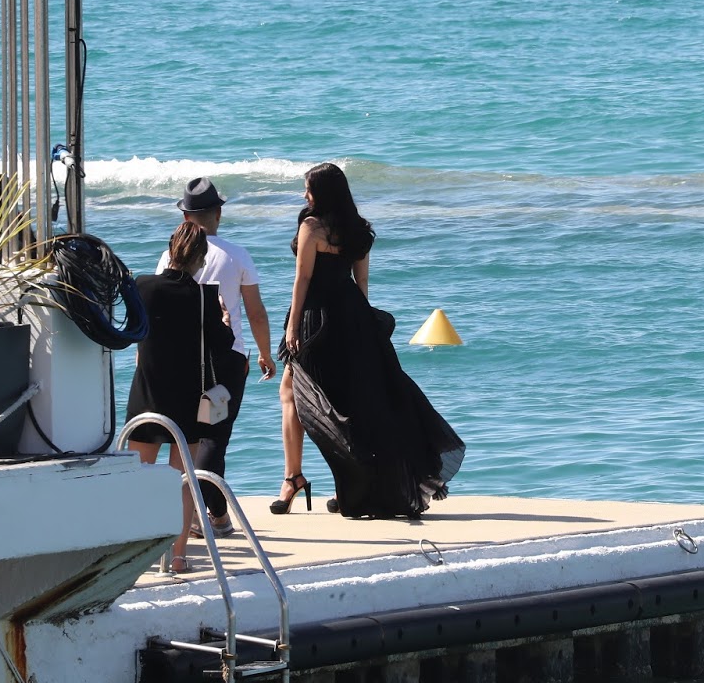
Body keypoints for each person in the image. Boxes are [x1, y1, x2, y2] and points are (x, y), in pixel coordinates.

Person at [275, 162, 464, 519]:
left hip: (316, 317)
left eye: (308, 189)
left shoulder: (311, 227)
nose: (304, 195)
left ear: (322, 193)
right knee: (350, 402)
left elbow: (303, 281)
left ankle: (293, 478)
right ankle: (348, 483)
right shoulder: (359, 230)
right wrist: (367, 329)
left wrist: (292, 327)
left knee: (292, 393)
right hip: (353, 318)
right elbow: (361, 286)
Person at [156, 178, 276, 537]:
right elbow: (255, 312)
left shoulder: (169, 255)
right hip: (226, 360)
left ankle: (194, 515)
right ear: (218, 213)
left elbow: (164, 307)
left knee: (187, 437)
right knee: (214, 437)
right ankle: (217, 516)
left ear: (185, 215)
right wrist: (266, 354)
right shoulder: (236, 254)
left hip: (183, 360)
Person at [127, 221, 235, 574]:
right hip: (186, 399)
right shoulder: (203, 297)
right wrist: (224, 318)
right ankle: (177, 556)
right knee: (183, 479)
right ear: (201, 259)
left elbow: (131, 330)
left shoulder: (143, 285)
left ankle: (133, 552)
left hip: (147, 394)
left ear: (171, 250)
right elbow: (222, 347)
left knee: (136, 476)